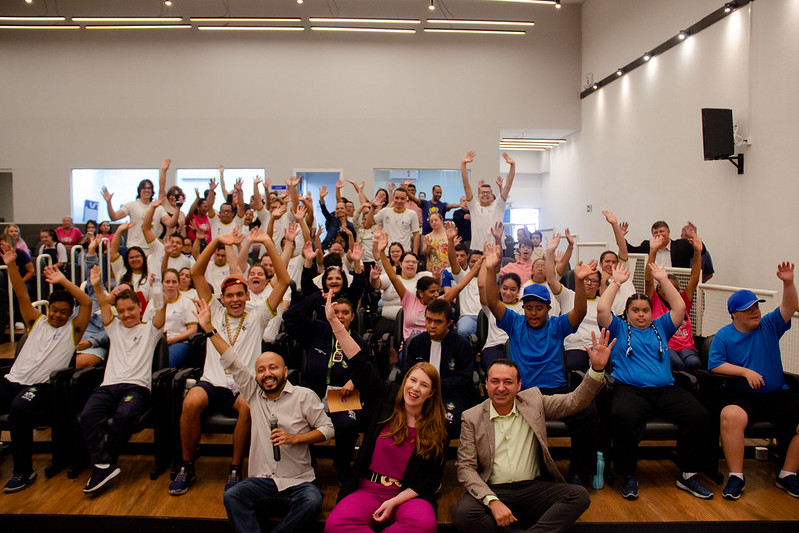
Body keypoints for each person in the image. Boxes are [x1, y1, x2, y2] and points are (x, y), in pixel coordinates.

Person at [188, 299, 333, 533]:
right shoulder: (253, 395)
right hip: (261, 482)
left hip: (297, 482)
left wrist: (295, 438)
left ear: (285, 371)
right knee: (233, 496)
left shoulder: (303, 396)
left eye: (273, 368)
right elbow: (233, 360)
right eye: (261, 370)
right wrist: (209, 329)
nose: (267, 374)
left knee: (312, 501)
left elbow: (328, 429)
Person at [169, 228, 290, 495]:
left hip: (242, 387)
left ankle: (235, 469)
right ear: (221, 298)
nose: (235, 300)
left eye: (240, 294)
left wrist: (268, 242)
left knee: (247, 406)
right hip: (212, 382)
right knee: (190, 401)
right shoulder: (213, 310)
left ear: (247, 296)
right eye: (230, 295)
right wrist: (216, 241)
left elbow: (283, 281)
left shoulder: (257, 315)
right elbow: (197, 273)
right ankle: (186, 466)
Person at [452, 338, 610, 533]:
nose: (501, 388)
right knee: (462, 514)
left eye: (508, 382)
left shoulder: (534, 401)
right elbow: (465, 467)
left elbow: (575, 401)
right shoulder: (471, 417)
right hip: (493, 489)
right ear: (486, 384)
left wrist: (596, 369)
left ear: (519, 385)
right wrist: (492, 502)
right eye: (495, 381)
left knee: (579, 495)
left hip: (533, 488)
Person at [324, 292, 448, 533]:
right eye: (412, 380)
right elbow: (360, 362)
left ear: (432, 393)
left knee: (423, 526)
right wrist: (334, 323)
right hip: (368, 488)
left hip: (407, 494)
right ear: (404, 381)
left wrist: (394, 502)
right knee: (336, 524)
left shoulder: (437, 427)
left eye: (424, 385)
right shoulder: (386, 398)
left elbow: (429, 480)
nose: (415, 388)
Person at [484, 244, 600, 486]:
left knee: (588, 413)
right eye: (529, 308)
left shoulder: (557, 326)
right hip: (524, 395)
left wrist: (579, 282)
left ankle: (579, 472)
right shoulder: (514, 323)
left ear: (548, 309)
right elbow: (492, 301)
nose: (534, 313)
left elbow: (579, 311)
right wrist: (490, 269)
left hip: (555, 393)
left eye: (539, 308)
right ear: (523, 308)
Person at [597, 262, 714, 500]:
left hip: (664, 390)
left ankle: (688, 474)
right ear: (627, 313)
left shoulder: (661, 326)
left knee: (699, 415)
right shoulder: (619, 328)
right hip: (629, 390)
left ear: (652, 313)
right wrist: (615, 282)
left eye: (645, 310)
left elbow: (679, 307)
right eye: (635, 310)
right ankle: (628, 475)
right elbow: (601, 309)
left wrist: (663, 280)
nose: (641, 314)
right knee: (622, 416)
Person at [0, 242, 91, 493]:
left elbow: (86, 303)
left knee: (19, 409)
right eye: (54, 310)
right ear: (48, 309)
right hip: (13, 379)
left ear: (69, 314)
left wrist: (63, 281)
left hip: (42, 388)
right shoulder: (35, 321)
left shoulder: (73, 330)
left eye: (64, 312)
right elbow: (21, 294)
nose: (58, 315)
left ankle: (23, 471)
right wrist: (11, 265)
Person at [708, 262, 799, 500]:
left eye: (756, 307)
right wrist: (745, 372)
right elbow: (715, 364)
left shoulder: (769, 325)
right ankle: (736, 476)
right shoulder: (723, 336)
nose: (754, 312)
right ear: (734, 314)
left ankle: (788, 474)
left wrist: (788, 282)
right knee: (730, 416)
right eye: (748, 309)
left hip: (776, 392)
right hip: (741, 393)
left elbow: (789, 306)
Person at [80, 264, 166, 493]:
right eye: (122, 311)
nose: (127, 314)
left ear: (140, 308)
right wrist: (97, 286)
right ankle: (103, 464)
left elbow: (160, 310)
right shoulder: (114, 327)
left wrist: (159, 289)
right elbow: (103, 305)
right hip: (108, 386)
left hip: (136, 388)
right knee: (88, 415)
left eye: (131, 309)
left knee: (124, 415)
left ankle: (104, 464)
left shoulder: (150, 329)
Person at [284, 292, 371, 485]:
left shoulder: (359, 341)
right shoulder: (316, 329)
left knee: (348, 426)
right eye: (336, 311)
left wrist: (354, 381)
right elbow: (290, 317)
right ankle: (307, 464)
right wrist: (315, 299)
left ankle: (342, 467)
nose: (340, 316)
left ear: (352, 316)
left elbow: (371, 370)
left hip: (343, 394)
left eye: (345, 313)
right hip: (313, 392)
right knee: (298, 421)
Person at [376, 231, 481, 342]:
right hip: (411, 346)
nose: (436, 294)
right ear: (421, 293)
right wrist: (382, 252)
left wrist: (474, 270)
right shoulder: (409, 299)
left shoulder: (439, 302)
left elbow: (459, 287)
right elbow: (393, 278)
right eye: (432, 292)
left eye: (437, 291)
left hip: (433, 344)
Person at [402, 298, 474, 437]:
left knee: (444, 424)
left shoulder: (462, 345)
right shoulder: (416, 343)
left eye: (438, 322)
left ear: (449, 323)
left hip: (450, 396)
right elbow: (407, 372)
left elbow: (465, 377)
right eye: (428, 320)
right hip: (418, 395)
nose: (432, 325)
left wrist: (436, 386)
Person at [544, 233, 604, 373]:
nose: (588, 283)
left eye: (593, 280)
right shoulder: (568, 295)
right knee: (577, 369)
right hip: (576, 346)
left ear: (598, 285)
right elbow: (551, 280)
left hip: (600, 347)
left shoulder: (603, 302)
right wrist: (550, 252)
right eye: (585, 279)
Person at [644, 230, 703, 371]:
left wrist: (697, 252)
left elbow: (694, 278)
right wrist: (653, 251)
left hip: (686, 347)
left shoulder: (683, 301)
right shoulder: (655, 300)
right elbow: (648, 280)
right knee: (677, 364)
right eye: (667, 287)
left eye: (674, 288)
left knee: (694, 363)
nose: (671, 291)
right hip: (665, 345)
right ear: (660, 289)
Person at [102, 159, 169, 253]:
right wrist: (109, 203)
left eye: (149, 188)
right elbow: (114, 217)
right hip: (134, 247)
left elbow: (170, 223)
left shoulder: (157, 207)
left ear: (152, 191)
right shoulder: (131, 205)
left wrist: (178, 208)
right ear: (139, 190)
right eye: (144, 188)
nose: (146, 190)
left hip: (152, 248)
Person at [460, 151, 516, 251]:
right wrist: (463, 165)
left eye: (488, 192)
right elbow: (466, 185)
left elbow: (508, 185)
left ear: (492, 195)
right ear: (478, 195)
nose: (485, 194)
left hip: (496, 249)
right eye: (483, 192)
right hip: (477, 250)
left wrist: (512, 165)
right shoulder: (474, 206)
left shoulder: (498, 205)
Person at [143, 268, 197, 368]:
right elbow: (144, 326)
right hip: (154, 342)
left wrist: (172, 340)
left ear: (179, 284)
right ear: (162, 284)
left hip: (178, 342)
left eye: (174, 282)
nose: (170, 285)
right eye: (167, 282)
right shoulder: (152, 303)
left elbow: (193, 329)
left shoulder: (187, 303)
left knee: (164, 363)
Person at [626, 219, 707, 268]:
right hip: (653, 287)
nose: (659, 234)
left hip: (675, 286)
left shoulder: (681, 245)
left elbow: (702, 251)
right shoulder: (647, 246)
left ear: (668, 232)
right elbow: (630, 250)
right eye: (656, 232)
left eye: (661, 231)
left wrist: (693, 237)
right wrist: (621, 236)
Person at [108, 222, 150, 302]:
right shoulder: (122, 271)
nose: (134, 259)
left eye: (137, 256)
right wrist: (119, 231)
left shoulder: (150, 275)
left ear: (144, 258)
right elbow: (113, 252)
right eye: (131, 257)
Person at [373, 187, 420, 254]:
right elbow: (369, 223)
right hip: (387, 253)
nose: (399, 201)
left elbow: (416, 235)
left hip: (405, 253)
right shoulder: (385, 211)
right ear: (393, 198)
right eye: (397, 198)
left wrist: (415, 254)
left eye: (402, 198)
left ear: (406, 199)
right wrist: (373, 206)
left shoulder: (412, 214)